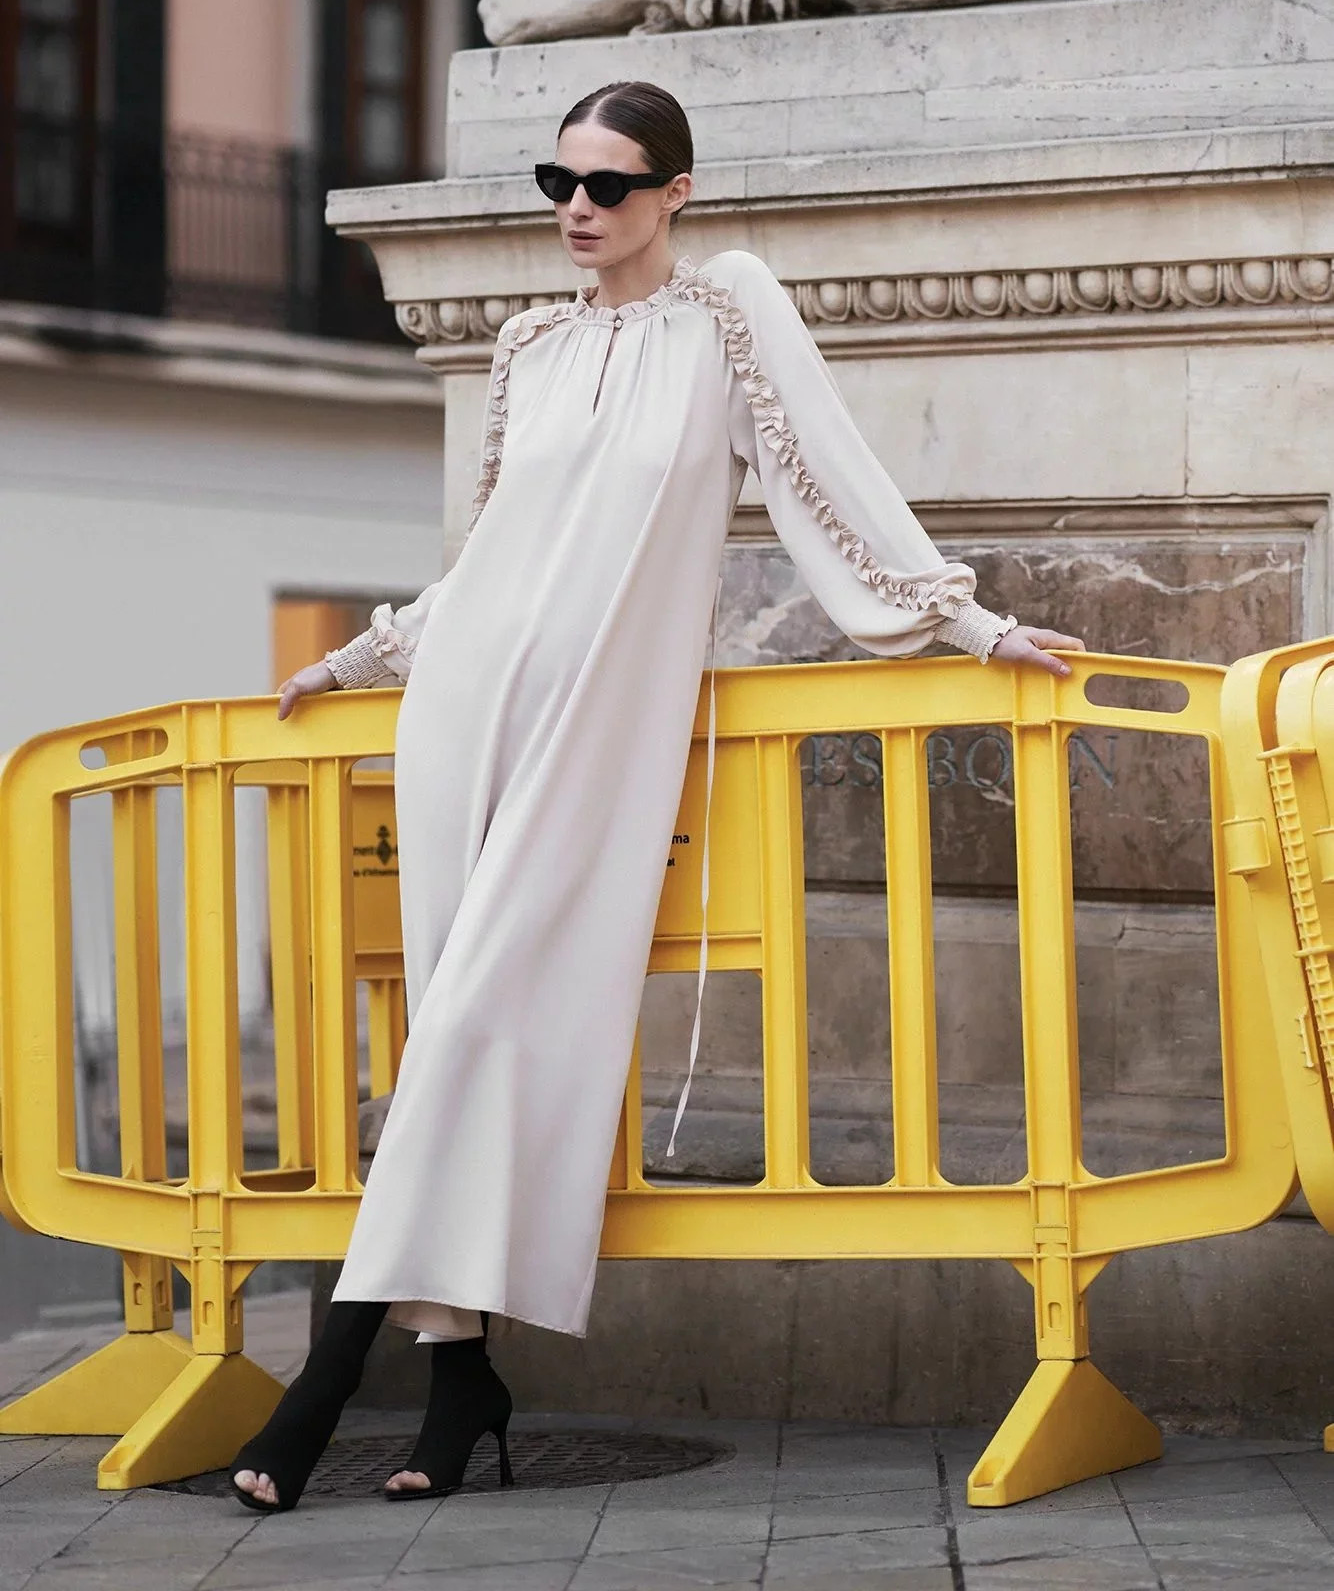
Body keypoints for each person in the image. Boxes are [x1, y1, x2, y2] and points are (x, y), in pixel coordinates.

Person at [229, 80, 1083, 1513]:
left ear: (674, 192)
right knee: (456, 1031)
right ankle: (458, 1382)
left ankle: (322, 1387)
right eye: (557, 181)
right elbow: (493, 551)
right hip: (461, 712)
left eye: (609, 184)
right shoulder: (527, 347)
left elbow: (826, 480)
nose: (578, 207)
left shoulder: (727, 316)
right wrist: (366, 655)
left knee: (479, 1026)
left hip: (600, 721)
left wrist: (964, 622)